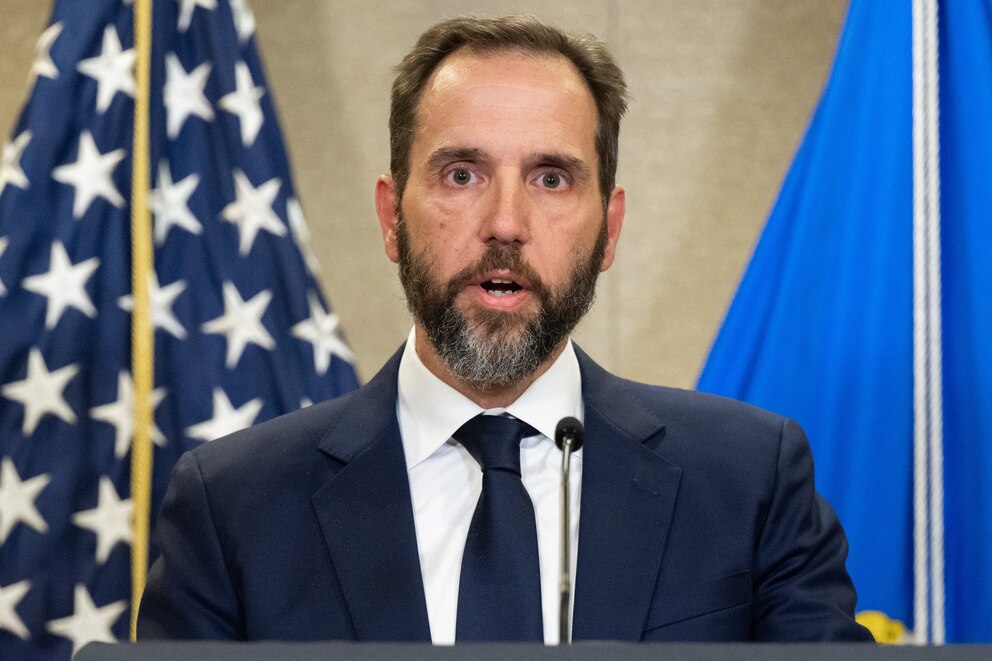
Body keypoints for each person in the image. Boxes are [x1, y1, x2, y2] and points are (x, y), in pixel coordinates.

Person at [138, 15, 873, 643]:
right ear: (391, 217)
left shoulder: (750, 483)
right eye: (462, 174)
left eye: (552, 178)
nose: (506, 223)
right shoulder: (232, 506)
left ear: (609, 230)